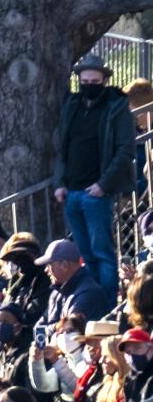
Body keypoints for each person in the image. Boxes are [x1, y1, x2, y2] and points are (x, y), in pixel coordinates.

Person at [56, 53, 134, 300]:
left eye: (95, 81)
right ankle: (92, 301)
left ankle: (109, 302)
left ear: (104, 81)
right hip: (71, 192)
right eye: (85, 81)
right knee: (85, 255)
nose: (90, 85)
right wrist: (60, 183)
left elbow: (125, 150)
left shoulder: (117, 107)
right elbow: (62, 147)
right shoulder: (72, 106)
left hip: (97, 193)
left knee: (102, 253)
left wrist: (103, 185)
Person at [43, 240, 112, 331]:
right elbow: (38, 328)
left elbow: (69, 330)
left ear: (64, 265)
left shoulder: (88, 293)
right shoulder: (58, 292)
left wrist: (48, 330)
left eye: (49, 264)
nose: (46, 270)